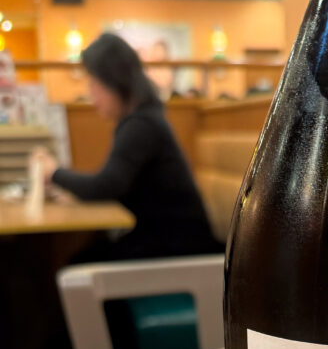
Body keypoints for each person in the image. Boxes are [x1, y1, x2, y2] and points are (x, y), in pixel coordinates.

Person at [43, 32, 219, 261]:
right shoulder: (142, 119)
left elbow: (105, 186)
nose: (91, 94)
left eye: (94, 84)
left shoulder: (141, 125)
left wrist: (53, 172)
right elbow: (113, 185)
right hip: (167, 241)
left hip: (179, 250)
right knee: (85, 255)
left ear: (114, 81)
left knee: (76, 264)